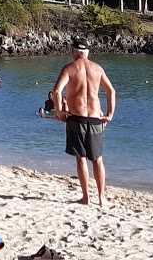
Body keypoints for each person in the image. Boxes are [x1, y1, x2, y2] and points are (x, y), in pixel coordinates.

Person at [50, 40, 116, 207]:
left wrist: (59, 111)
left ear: (73, 52)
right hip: (95, 118)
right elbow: (111, 91)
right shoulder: (97, 68)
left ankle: (86, 197)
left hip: (76, 117)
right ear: (87, 53)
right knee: (98, 159)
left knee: (81, 158)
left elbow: (57, 91)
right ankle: (101, 198)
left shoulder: (69, 68)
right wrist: (109, 114)